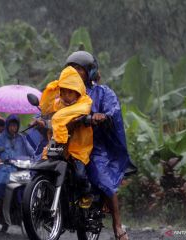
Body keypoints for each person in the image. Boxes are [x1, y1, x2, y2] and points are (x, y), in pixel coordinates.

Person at [65, 51, 134, 240]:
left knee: (104, 180)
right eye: (72, 68)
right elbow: (51, 107)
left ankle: (117, 224)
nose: (75, 72)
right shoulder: (64, 91)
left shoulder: (102, 92)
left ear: (90, 71)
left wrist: (103, 115)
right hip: (67, 142)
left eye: (79, 68)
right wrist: (40, 118)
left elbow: (113, 108)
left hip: (94, 146)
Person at [38, 66, 94, 207]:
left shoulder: (84, 103)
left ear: (77, 92)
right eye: (64, 91)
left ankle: (86, 194)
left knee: (80, 174)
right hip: (57, 146)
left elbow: (66, 117)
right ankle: (41, 195)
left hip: (77, 147)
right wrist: (41, 121)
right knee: (41, 167)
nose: (67, 95)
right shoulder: (58, 104)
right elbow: (45, 109)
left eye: (71, 92)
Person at [0, 114, 34, 219]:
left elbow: (31, 151)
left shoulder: (22, 138)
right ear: (7, 126)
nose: (14, 128)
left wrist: (36, 159)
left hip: (21, 167)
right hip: (5, 167)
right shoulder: (1, 138)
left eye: (15, 126)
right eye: (11, 125)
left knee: (32, 183)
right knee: (1, 183)